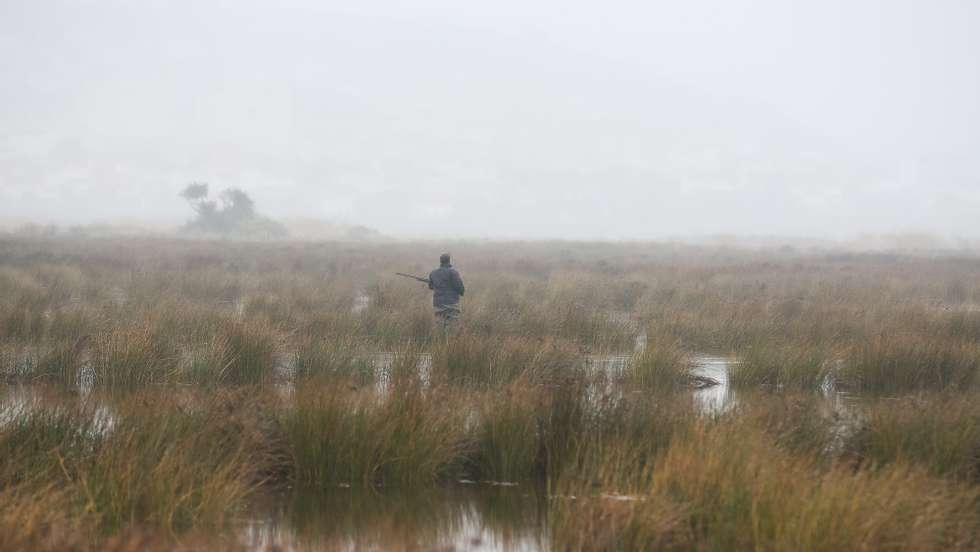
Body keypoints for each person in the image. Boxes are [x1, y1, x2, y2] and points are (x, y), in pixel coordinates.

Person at [428, 253, 465, 331]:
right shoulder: (453, 272)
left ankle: (441, 341)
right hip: (452, 304)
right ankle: (451, 342)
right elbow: (460, 289)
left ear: (440, 261)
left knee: (440, 327)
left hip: (438, 304)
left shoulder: (433, 273)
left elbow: (431, 287)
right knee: (453, 327)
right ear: (449, 261)